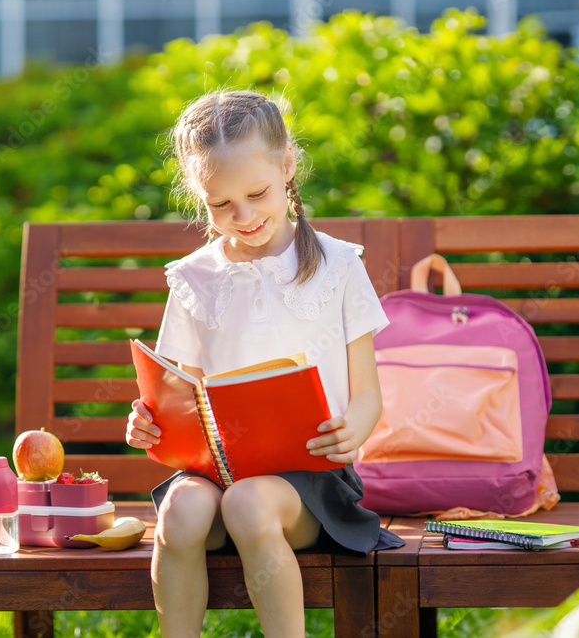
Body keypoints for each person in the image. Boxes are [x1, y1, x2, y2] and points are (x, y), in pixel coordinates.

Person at [126, 89, 403, 637]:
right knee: (180, 510)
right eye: (220, 204)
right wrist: (150, 423)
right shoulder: (193, 279)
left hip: (306, 484)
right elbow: (181, 391)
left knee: (250, 503)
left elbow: (367, 392)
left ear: (288, 166)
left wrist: (354, 431)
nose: (243, 216)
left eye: (257, 193)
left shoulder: (339, 267)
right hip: (216, 475)